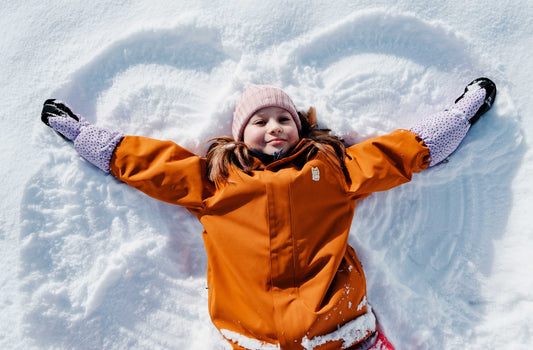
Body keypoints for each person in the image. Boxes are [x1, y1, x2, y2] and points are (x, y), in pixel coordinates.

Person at [41, 78, 496, 350]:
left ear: (300, 130)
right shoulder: (216, 180)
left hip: (338, 329)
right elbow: (152, 165)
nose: (272, 127)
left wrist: (458, 117)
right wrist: (83, 135)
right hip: (251, 334)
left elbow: (394, 156)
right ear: (240, 136)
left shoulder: (333, 170)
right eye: (259, 122)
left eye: (283, 119)